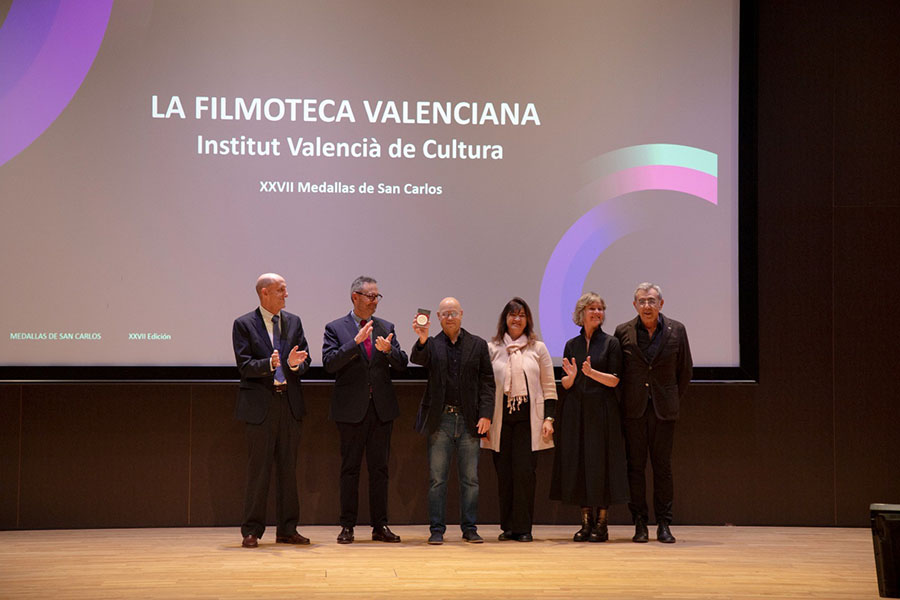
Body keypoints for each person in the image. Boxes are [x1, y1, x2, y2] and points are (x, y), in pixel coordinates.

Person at [322, 276, 408, 544]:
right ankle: (347, 526)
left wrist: (389, 352)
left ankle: (380, 526)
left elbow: (402, 363)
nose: (374, 301)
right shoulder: (335, 328)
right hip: (351, 411)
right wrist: (354, 343)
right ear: (355, 297)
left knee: (380, 469)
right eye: (370, 296)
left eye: (377, 297)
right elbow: (329, 363)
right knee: (350, 469)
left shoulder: (386, 326)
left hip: (380, 410)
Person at [231, 273, 312, 548]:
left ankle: (288, 529)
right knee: (259, 471)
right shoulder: (244, 324)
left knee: (288, 470)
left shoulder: (294, 322)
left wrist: (292, 365)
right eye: (280, 290)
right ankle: (252, 530)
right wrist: (268, 364)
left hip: (288, 404)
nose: (285, 295)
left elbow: (305, 360)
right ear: (264, 293)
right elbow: (244, 366)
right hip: (260, 407)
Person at [411, 297, 495, 545]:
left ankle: (469, 528)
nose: (450, 317)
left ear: (462, 315)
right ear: (437, 316)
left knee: (471, 480)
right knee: (438, 480)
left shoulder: (478, 345)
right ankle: (437, 529)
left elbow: (487, 382)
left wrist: (486, 414)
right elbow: (418, 359)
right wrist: (423, 337)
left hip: (470, 420)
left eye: (454, 313)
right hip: (441, 420)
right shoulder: (432, 344)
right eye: (445, 314)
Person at [615, 282, 692, 544]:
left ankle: (664, 524)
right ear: (634, 305)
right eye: (642, 301)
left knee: (662, 468)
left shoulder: (677, 330)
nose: (647, 306)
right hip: (634, 411)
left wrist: (669, 398)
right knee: (635, 468)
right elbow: (620, 374)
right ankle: (639, 523)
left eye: (651, 300)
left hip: (664, 411)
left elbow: (685, 372)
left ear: (661, 303)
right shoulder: (623, 331)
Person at [550, 292, 629, 542]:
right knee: (580, 463)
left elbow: (616, 380)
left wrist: (592, 373)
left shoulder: (611, 343)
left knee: (602, 464)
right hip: (576, 411)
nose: (597, 313)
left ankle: (602, 523)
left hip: (603, 412)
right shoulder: (571, 344)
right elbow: (565, 383)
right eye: (592, 308)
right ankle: (585, 522)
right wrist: (573, 377)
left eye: (600, 309)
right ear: (581, 313)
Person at [483, 297, 557, 542]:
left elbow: (549, 386)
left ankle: (523, 528)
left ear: (528, 320)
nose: (517, 319)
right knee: (505, 476)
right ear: (505, 319)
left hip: (529, 423)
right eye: (512, 314)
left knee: (525, 476)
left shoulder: (539, 348)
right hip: (500, 423)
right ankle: (508, 528)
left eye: (522, 315)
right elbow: (484, 387)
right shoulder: (492, 348)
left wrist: (549, 418)